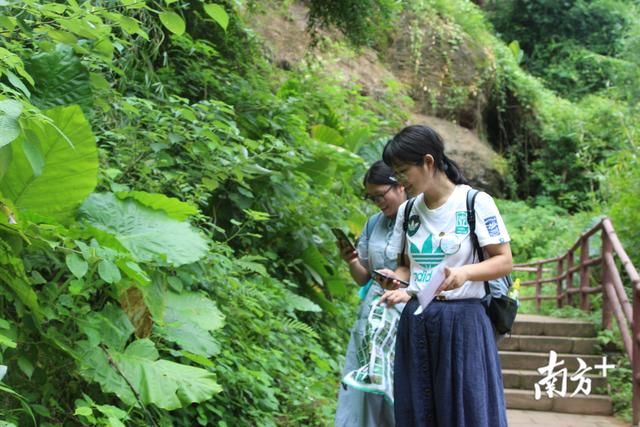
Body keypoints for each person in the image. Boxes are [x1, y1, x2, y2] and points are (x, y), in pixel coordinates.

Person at [378, 125, 511, 427]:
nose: (399, 181)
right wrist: (396, 280)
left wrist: (464, 273)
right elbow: (406, 267)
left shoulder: (474, 202)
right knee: (417, 411)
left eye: (402, 171)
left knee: (466, 412)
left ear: (428, 162)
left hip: (463, 323)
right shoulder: (408, 210)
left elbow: (503, 261)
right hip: (417, 321)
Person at [335, 160, 407, 427]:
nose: (377, 202)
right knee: (362, 389)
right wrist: (351, 260)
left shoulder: (419, 219)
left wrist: (399, 280)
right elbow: (363, 277)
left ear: (400, 186)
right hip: (372, 314)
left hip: (401, 314)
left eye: (381, 194)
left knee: (395, 384)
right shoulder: (373, 224)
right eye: (372, 197)